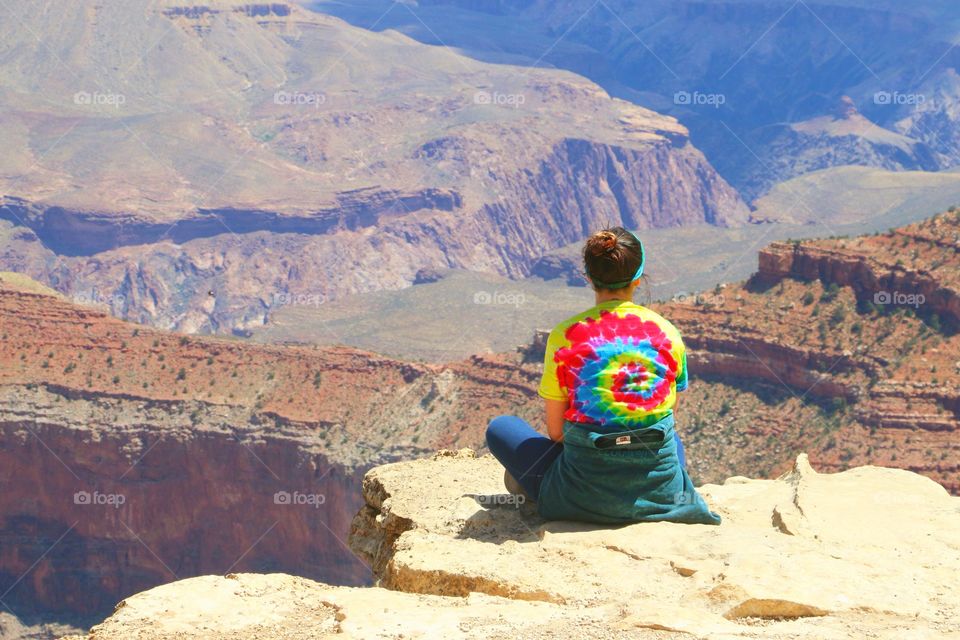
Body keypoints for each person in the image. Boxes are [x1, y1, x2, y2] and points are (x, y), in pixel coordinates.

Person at [486, 227, 721, 525]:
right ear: (639, 277)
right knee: (670, 439)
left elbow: (557, 433)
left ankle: (541, 487)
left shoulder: (565, 336)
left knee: (501, 427)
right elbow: (667, 413)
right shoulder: (667, 333)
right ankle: (654, 495)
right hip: (660, 493)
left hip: (578, 495)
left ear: (588, 277)